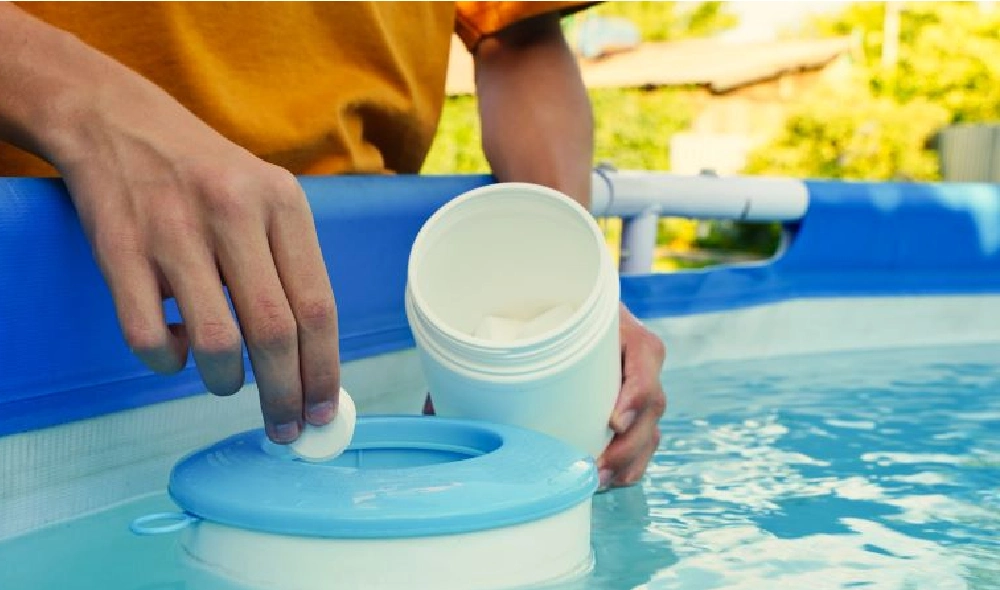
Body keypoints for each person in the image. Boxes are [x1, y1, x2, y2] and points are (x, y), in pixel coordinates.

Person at [0, 1, 665, 489]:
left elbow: (518, 32)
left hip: (362, 308)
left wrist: (576, 294)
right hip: (43, 273)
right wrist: (90, 110)